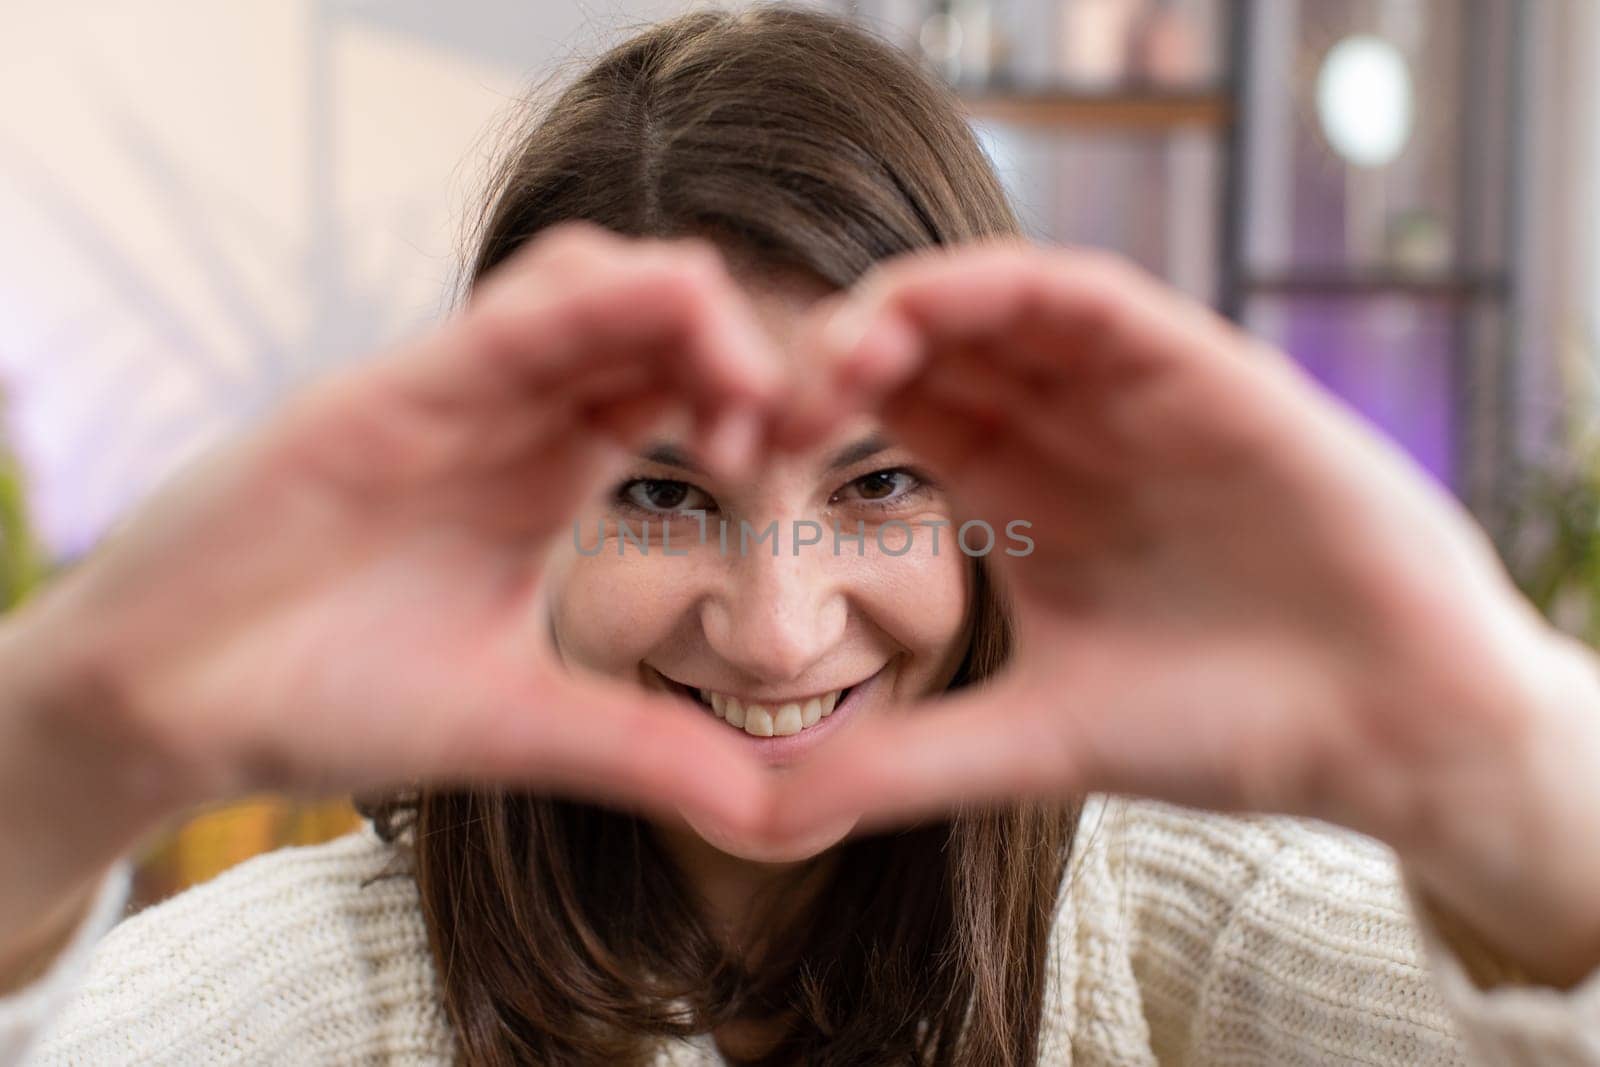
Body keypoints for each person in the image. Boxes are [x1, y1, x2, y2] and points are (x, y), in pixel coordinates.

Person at [1, 5, 1599, 1065]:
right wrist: (60, 743)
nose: (776, 629)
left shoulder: (1158, 914)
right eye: (659, 494)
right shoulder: (326, 986)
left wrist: (1502, 756)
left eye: (882, 485)